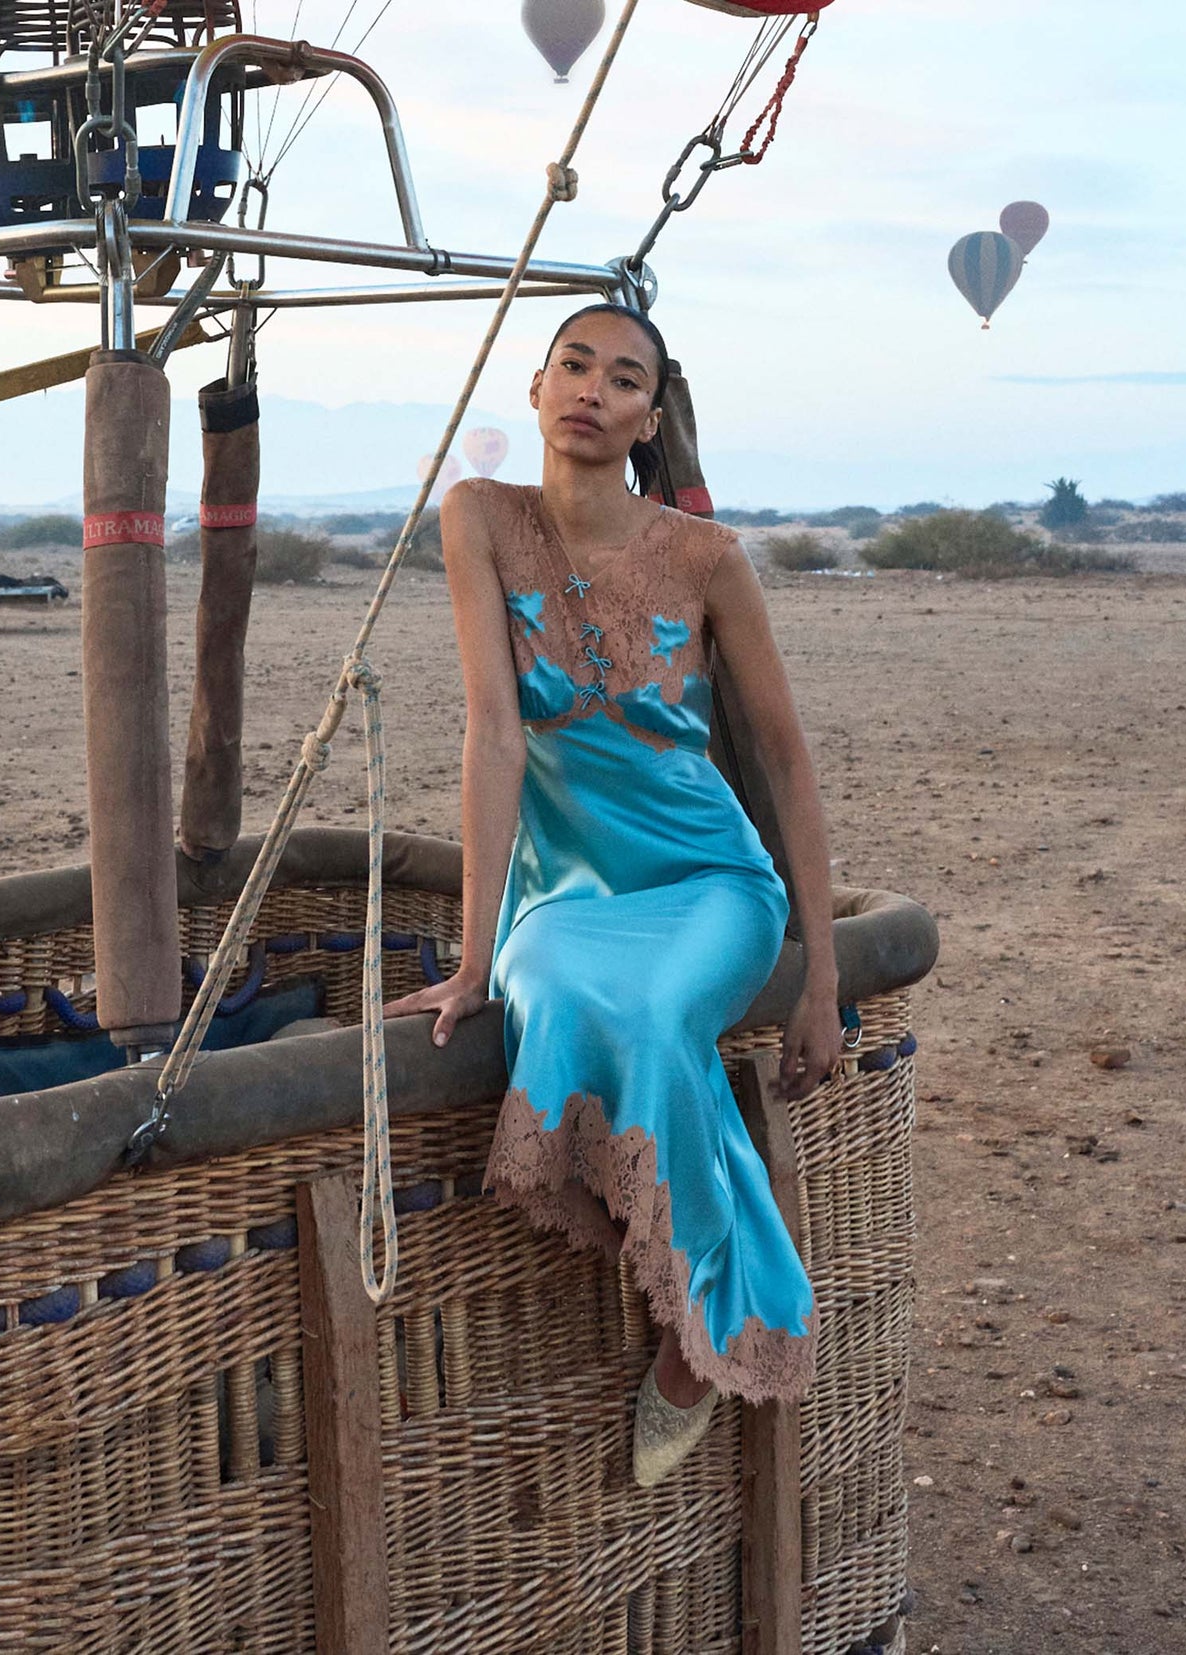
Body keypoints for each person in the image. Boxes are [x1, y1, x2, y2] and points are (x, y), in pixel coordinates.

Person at [382, 303, 841, 1486]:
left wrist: (823, 974)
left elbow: (784, 758)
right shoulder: (479, 517)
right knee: (557, 994)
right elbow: (492, 732)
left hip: (707, 882)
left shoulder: (707, 558)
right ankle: (722, 1275)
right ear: (534, 389)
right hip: (564, 894)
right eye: (572, 365)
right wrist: (477, 954)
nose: (591, 388)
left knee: (650, 1016)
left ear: (648, 416)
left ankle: (709, 1337)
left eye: (622, 378)